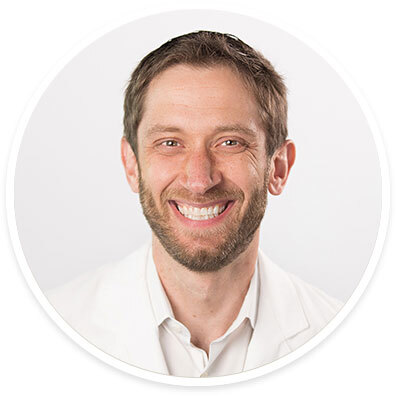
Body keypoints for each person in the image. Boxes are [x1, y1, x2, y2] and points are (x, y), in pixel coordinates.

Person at [47, 31, 343, 377]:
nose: (200, 180)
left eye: (229, 142)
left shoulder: (348, 342)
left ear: (277, 167)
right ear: (131, 164)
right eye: (170, 143)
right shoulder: (48, 333)